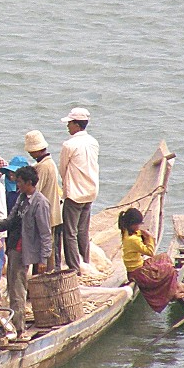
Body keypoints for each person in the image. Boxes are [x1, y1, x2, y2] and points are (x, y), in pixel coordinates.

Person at [0, 166, 52, 336]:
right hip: (14, 248)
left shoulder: (40, 203)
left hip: (25, 252)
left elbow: (46, 234)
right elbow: (11, 220)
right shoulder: (22, 198)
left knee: (18, 290)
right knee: (12, 287)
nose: (17, 185)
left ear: (29, 183)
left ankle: (19, 328)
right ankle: (14, 322)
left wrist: (43, 260)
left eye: (19, 182)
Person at [120, 208, 184, 312]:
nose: (139, 227)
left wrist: (141, 233)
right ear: (131, 224)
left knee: (164, 257)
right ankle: (173, 290)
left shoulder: (126, 231)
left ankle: (176, 287)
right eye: (137, 225)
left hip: (140, 265)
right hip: (137, 272)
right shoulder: (132, 239)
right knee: (168, 268)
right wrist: (149, 238)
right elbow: (150, 252)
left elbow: (138, 233)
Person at [59, 107, 99, 275]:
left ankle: (75, 268)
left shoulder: (69, 144)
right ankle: (86, 261)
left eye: (69, 123)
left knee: (70, 233)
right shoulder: (93, 141)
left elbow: (62, 169)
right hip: (90, 191)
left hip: (75, 193)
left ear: (76, 124)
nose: (68, 126)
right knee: (83, 230)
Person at [25, 130, 64, 271]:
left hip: (47, 215)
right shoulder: (50, 163)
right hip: (54, 212)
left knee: (46, 250)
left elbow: (35, 191)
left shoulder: (42, 167)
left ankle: (46, 277)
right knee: (51, 248)